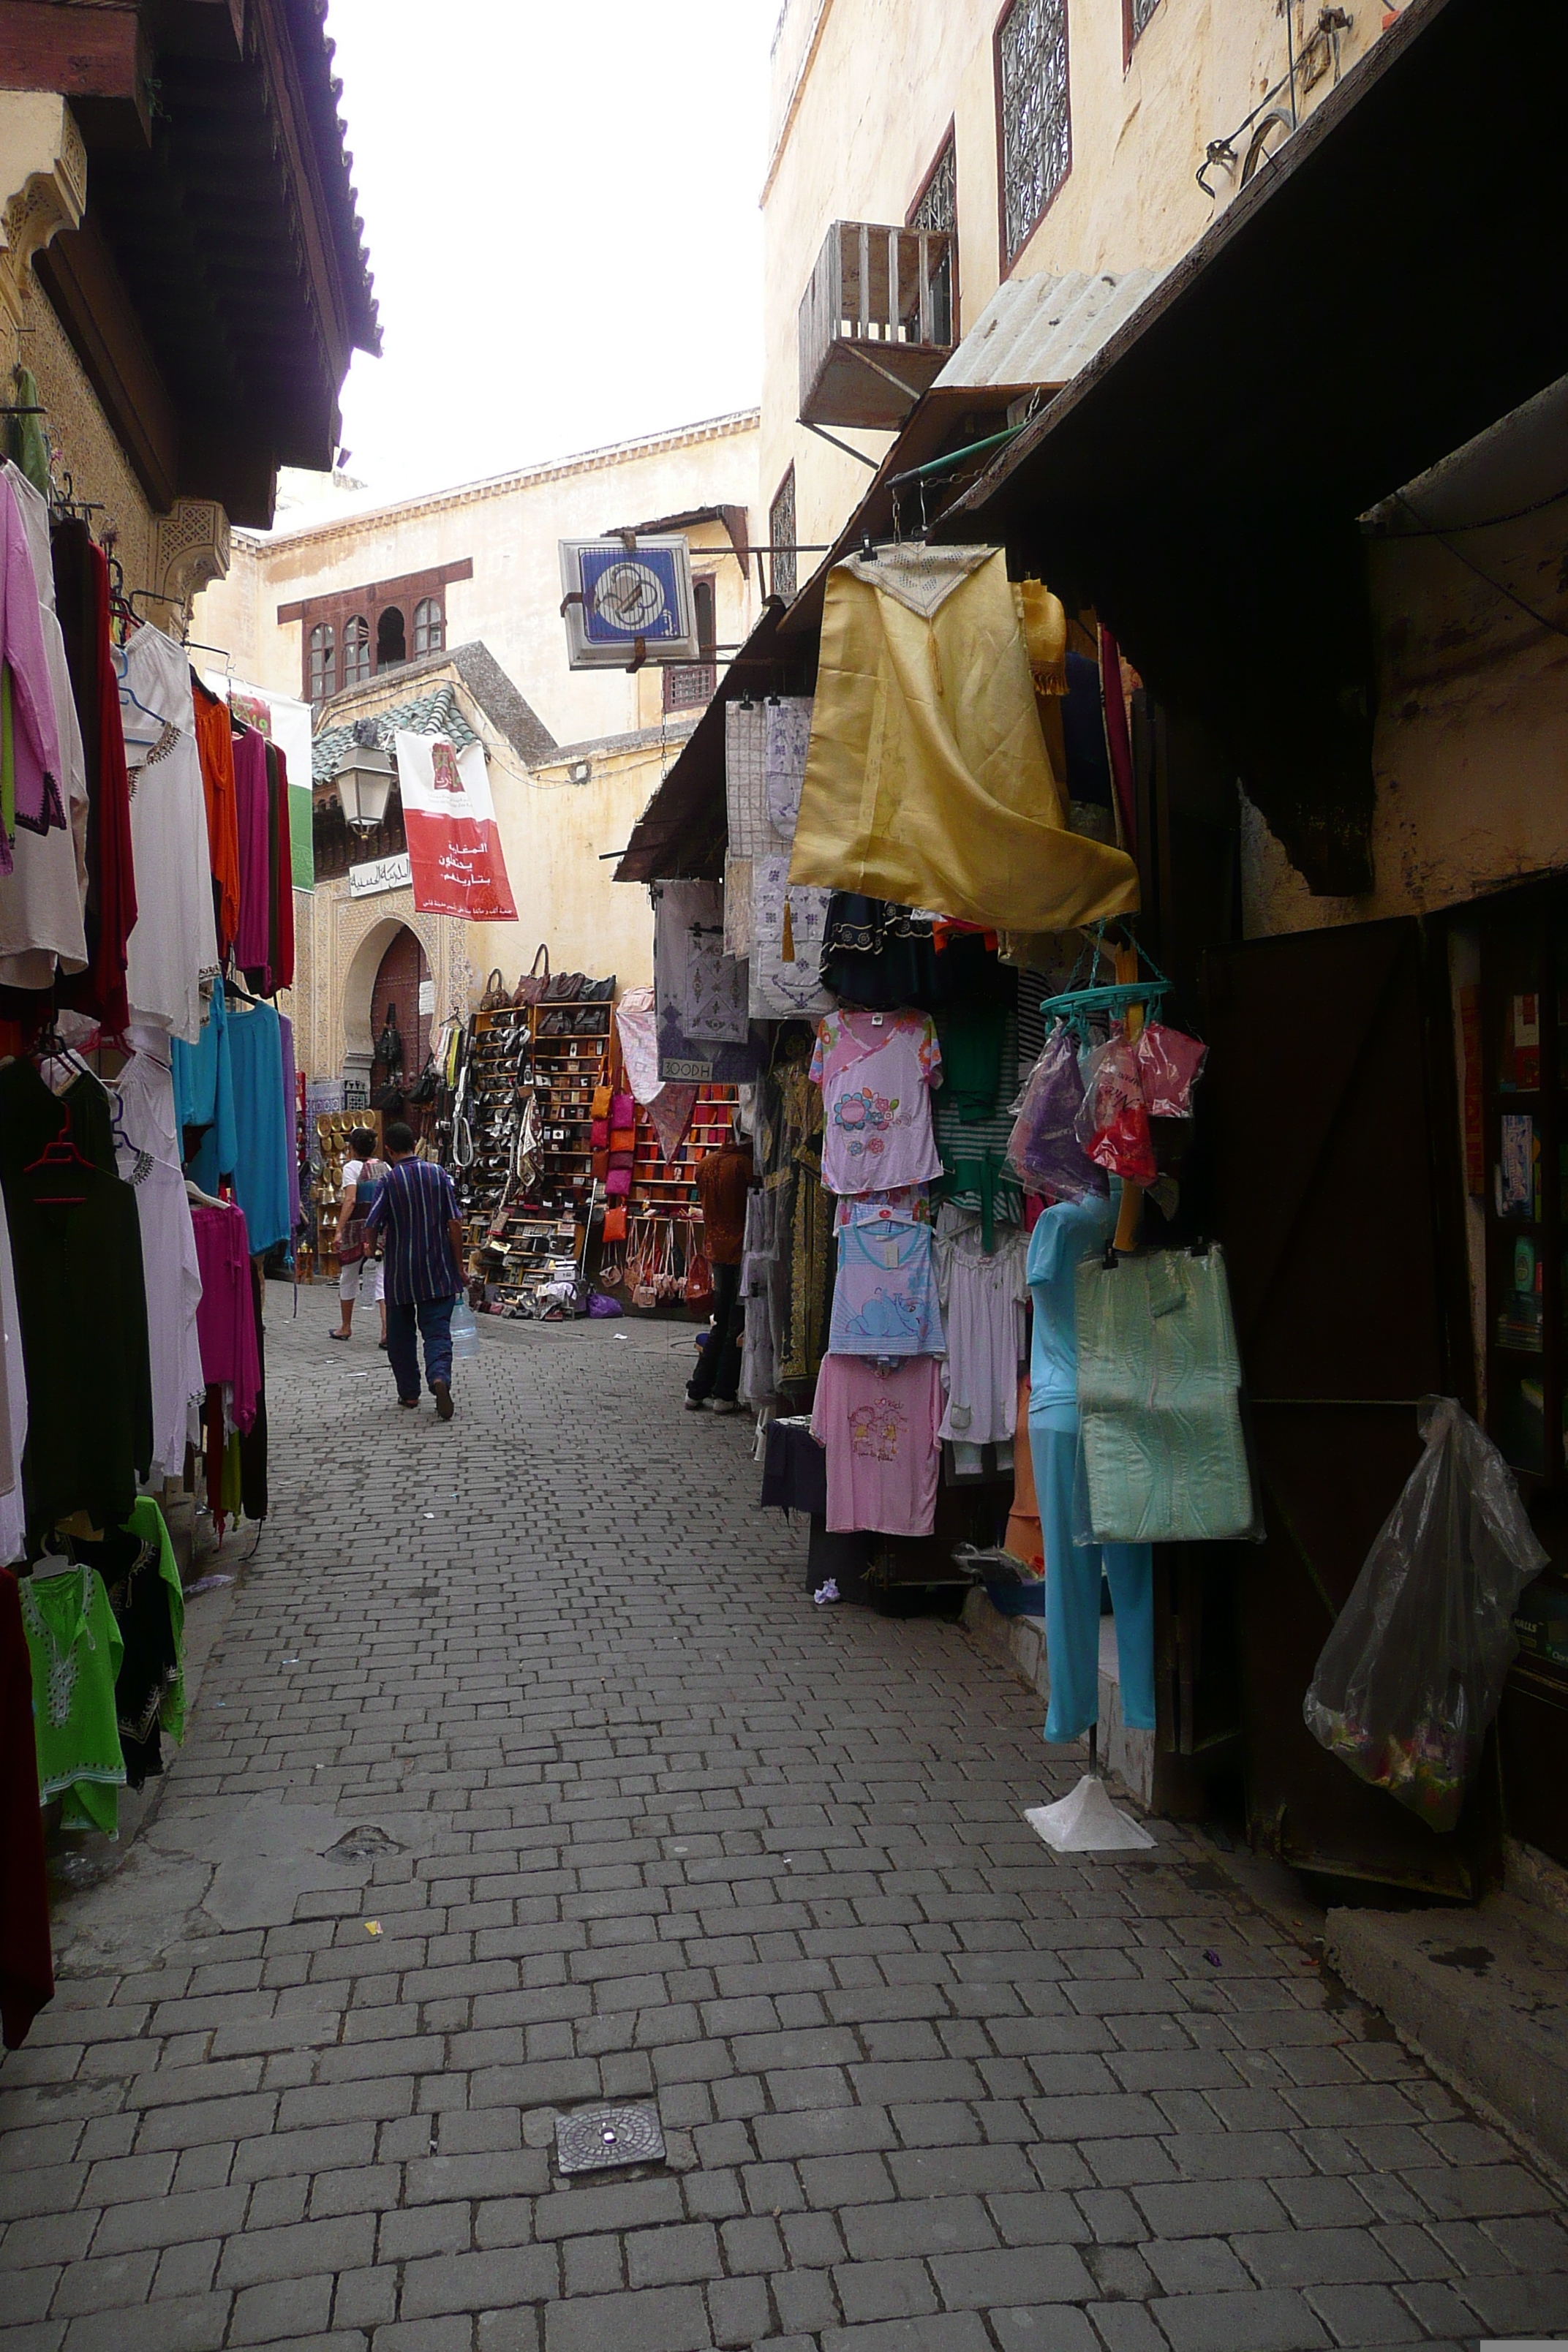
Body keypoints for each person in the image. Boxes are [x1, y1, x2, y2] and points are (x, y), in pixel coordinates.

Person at [362, 1119, 464, 1419]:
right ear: (415, 1143)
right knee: (436, 1332)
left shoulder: (389, 1181)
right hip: (437, 1270)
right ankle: (439, 1377)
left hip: (401, 1274)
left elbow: (372, 1223)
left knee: (400, 1336)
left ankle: (409, 1394)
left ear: (390, 1150)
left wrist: (371, 1248)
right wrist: (458, 1265)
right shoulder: (438, 1174)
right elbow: (454, 1223)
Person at [685, 1114, 754, 1416]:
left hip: (716, 1246)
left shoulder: (706, 1164)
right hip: (740, 1249)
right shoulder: (744, 1167)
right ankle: (724, 1393)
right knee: (733, 1325)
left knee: (722, 1322)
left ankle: (698, 1389)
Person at [330, 1127, 388, 1347]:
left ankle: (345, 1326)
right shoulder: (385, 1167)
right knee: (383, 1278)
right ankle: (386, 1328)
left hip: (357, 1229)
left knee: (349, 1275)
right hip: (381, 1228)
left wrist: (339, 1229)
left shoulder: (351, 1168)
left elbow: (350, 1200)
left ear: (352, 1148)